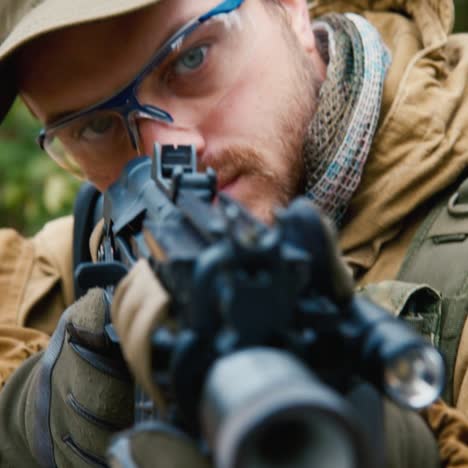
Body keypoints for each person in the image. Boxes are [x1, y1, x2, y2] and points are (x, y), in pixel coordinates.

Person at [0, 0, 467, 466]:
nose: (172, 152)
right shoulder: (57, 266)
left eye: (191, 58)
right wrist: (32, 418)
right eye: (95, 126)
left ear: (290, 9)